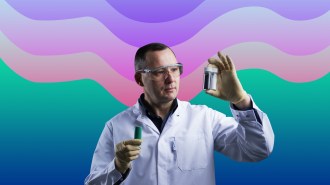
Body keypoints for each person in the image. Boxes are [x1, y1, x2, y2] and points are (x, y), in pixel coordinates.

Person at [84, 43, 275, 185]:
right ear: (140, 79)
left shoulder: (204, 118)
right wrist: (117, 166)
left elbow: (258, 150)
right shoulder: (116, 126)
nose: (170, 79)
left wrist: (240, 100)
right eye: (159, 72)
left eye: (174, 69)